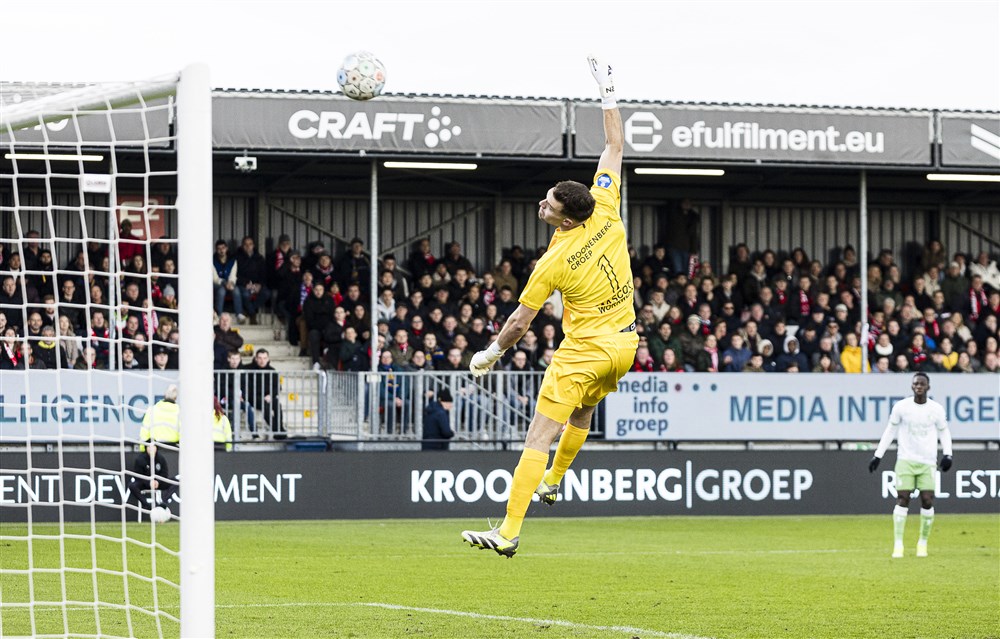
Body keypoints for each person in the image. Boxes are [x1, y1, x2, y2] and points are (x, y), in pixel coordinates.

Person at [461, 58, 638, 558]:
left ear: (566, 218)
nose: (542, 205)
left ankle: (509, 531)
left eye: (549, 205)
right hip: (625, 345)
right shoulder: (606, 207)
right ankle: (555, 481)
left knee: (537, 436)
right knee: (583, 411)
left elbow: (520, 322)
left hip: (585, 349)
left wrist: (490, 354)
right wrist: (608, 92)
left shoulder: (552, 263)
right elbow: (614, 147)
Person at [867, 373, 953, 558]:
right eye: (916, 384)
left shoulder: (936, 409)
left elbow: (944, 431)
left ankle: (922, 543)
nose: (919, 386)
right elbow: (890, 431)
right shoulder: (902, 407)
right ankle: (898, 544)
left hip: (928, 461)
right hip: (905, 459)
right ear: (912, 387)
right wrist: (878, 455)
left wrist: (948, 454)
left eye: (922, 384)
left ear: (928, 387)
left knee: (927, 500)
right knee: (903, 498)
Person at [139, 384, 181, 450]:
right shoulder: (180, 412)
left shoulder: (152, 410)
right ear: (175, 397)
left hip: (155, 451)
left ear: (164, 395)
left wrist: (143, 451)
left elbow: (144, 433)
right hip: (174, 450)